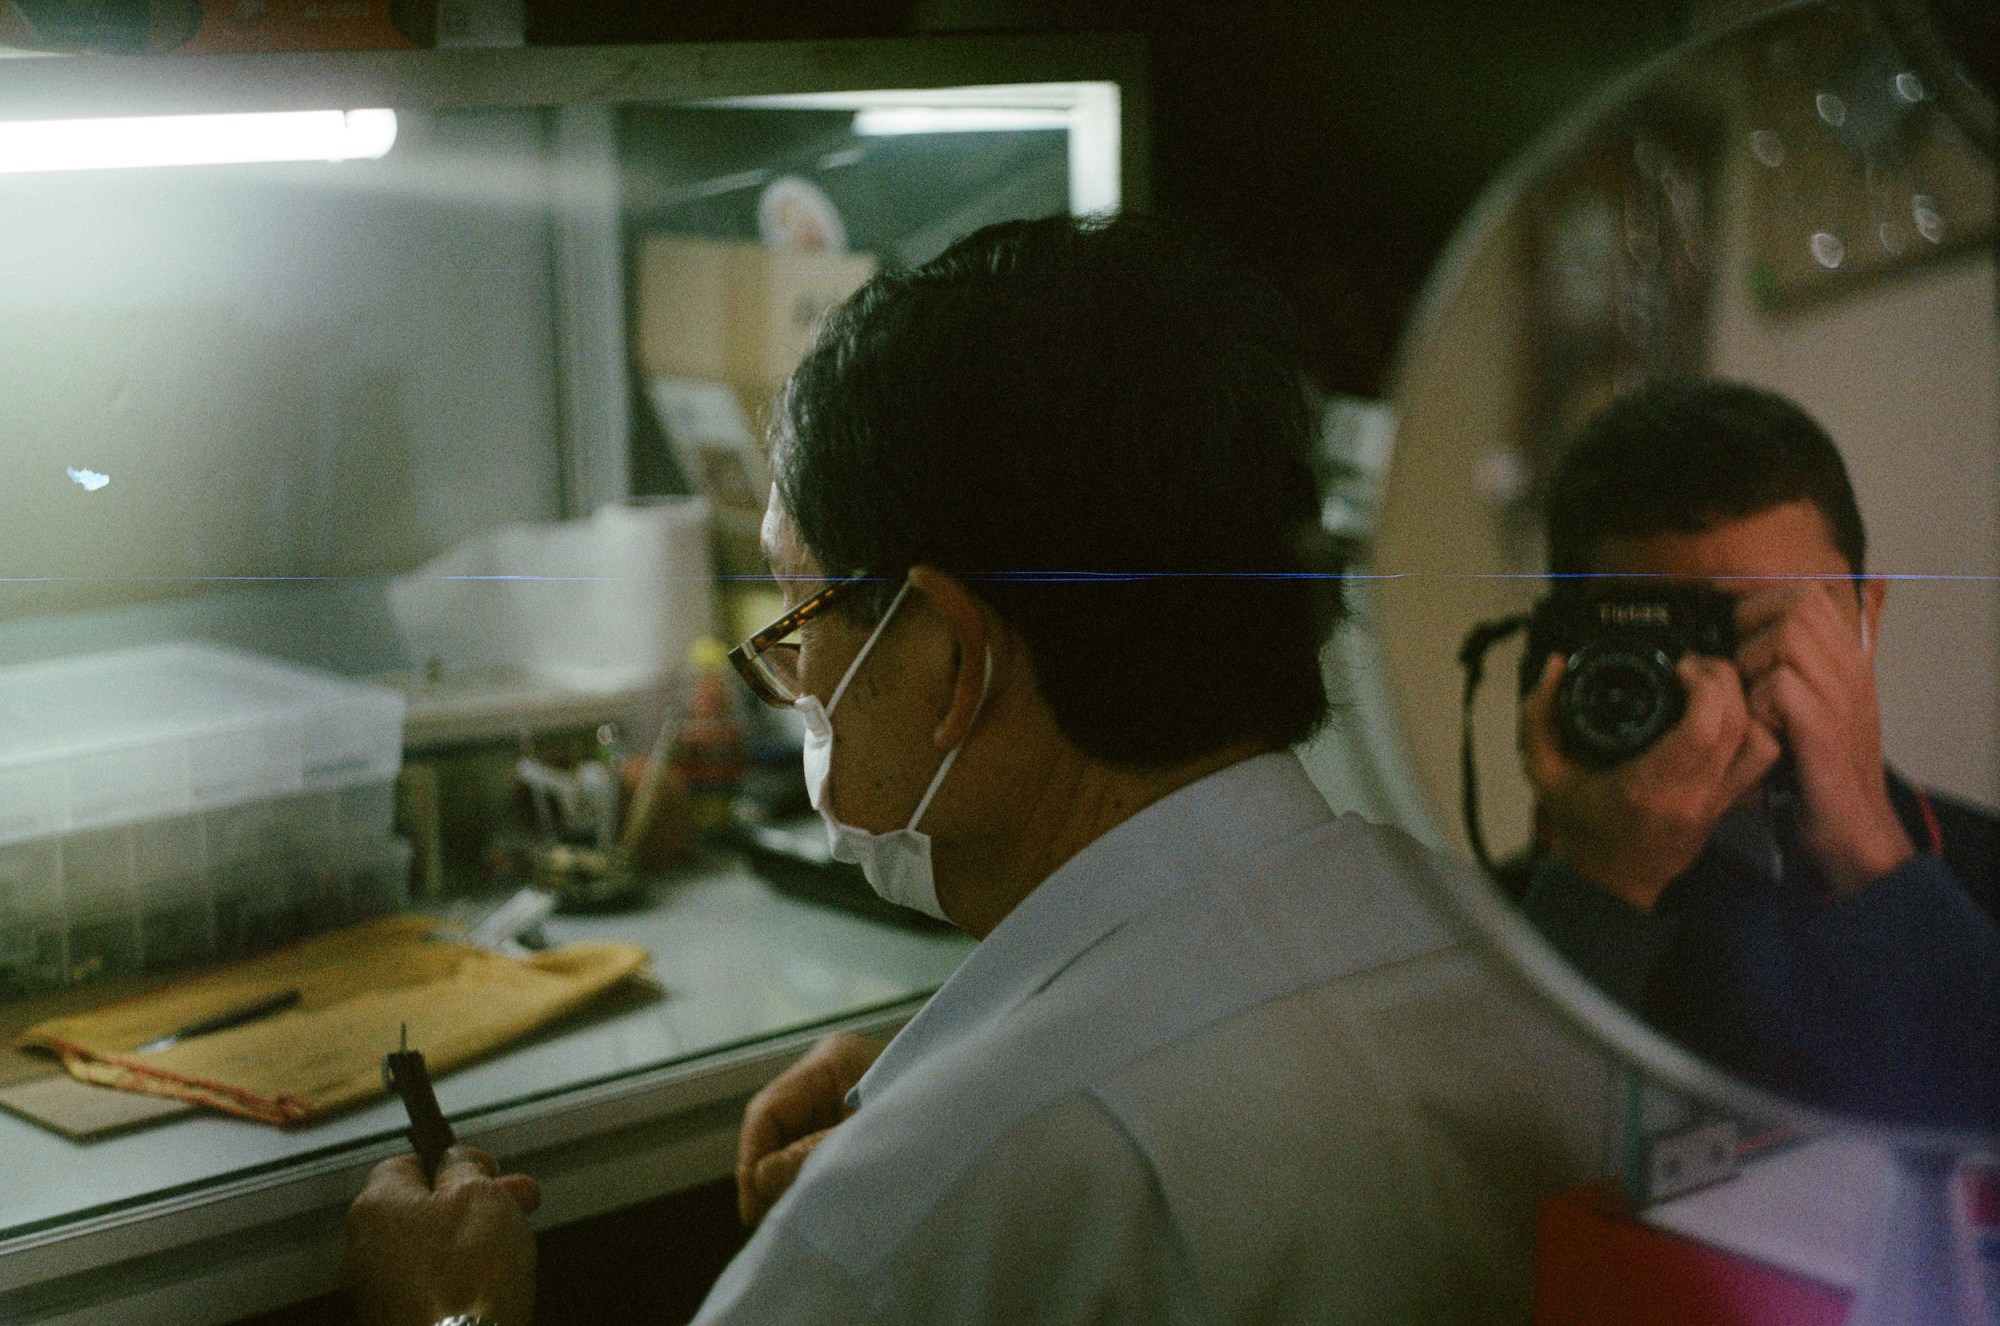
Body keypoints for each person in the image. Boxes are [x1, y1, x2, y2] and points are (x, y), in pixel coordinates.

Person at [343, 214, 1607, 1326]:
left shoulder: (912, 1218)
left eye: (800, 614)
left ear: (949, 659)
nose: (796, 678)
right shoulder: (1515, 972)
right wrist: (953, 1066)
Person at [1513, 378, 2000, 1130]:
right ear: (1569, 645)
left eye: (1771, 621)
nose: (1723, 681)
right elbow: (1485, 1165)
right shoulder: (1497, 921)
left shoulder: (1987, 871)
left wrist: (1870, 848)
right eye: (1673, 631)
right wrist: (1598, 890)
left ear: (1866, 619)